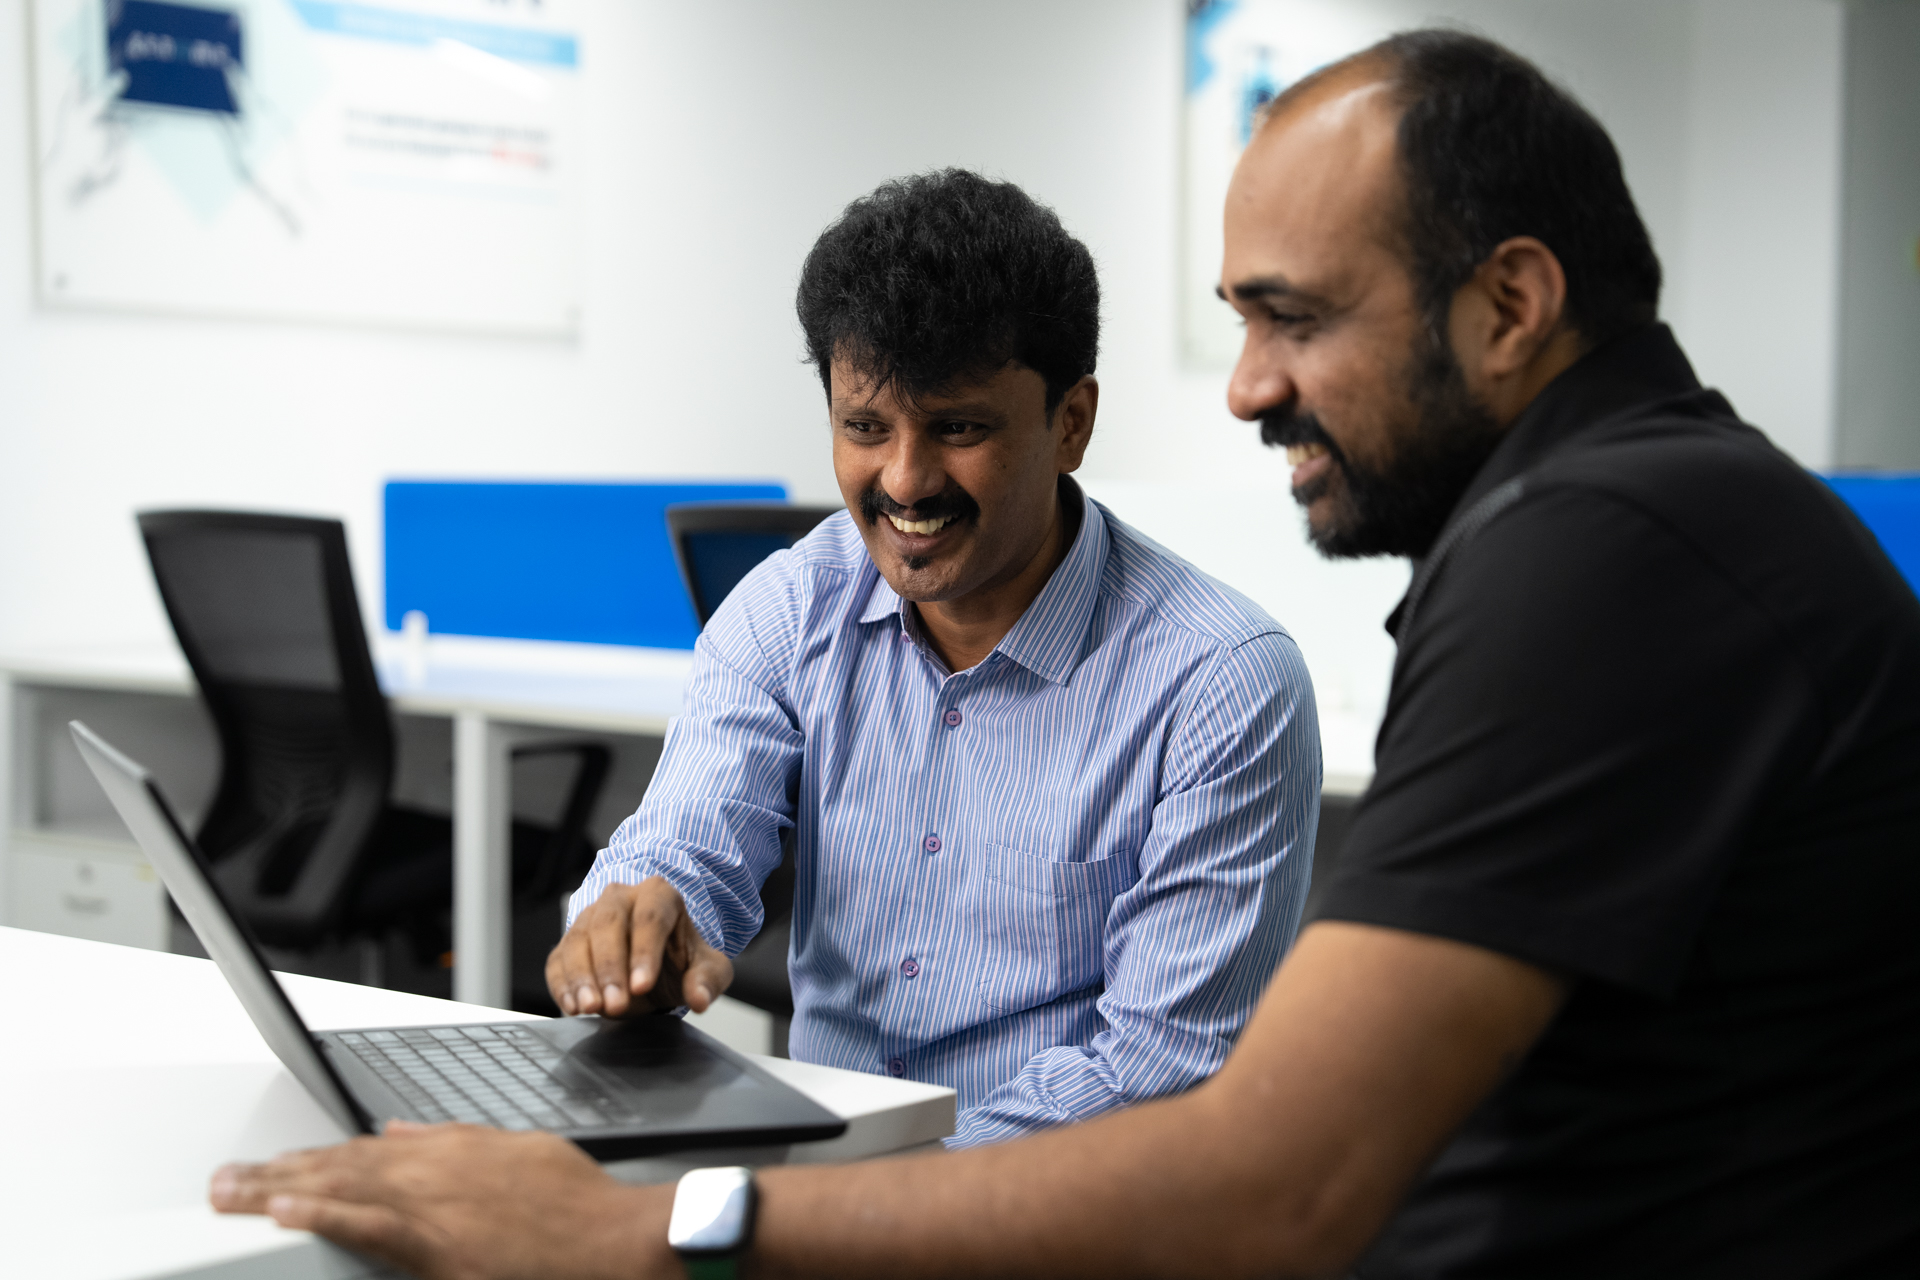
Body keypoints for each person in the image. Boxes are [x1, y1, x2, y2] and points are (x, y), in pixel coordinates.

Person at [208, 30, 1920, 1279]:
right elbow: (694, 833)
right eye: (1244, 319)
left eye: (1292, 318)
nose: (1246, 386)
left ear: (1513, 303)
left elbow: (1262, 1179)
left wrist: (655, 1229)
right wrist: (645, 921)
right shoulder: (1630, 521)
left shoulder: (1606, 559)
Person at [544, 168, 1320, 1148]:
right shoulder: (792, 607)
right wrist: (638, 923)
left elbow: (1156, 1072)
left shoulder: (1221, 684)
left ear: (1070, 421)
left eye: (957, 427)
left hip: (1060, 1217)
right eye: (865, 427)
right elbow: (687, 841)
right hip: (820, 1187)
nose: (904, 480)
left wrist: (873, 1195)